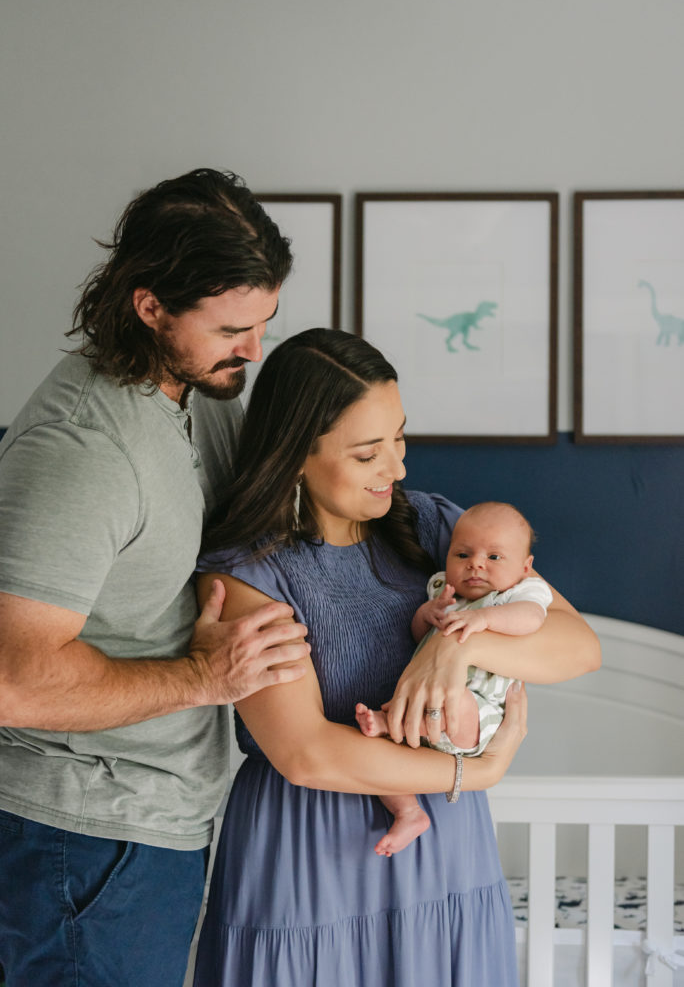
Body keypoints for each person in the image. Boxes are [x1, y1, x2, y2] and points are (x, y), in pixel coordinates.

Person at [192, 327, 600, 987]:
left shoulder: (438, 530)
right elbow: (305, 753)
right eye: (367, 454)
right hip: (312, 858)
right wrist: (477, 775)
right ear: (296, 454)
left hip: (444, 860)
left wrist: (451, 646)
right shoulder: (249, 573)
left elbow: (578, 647)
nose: (398, 468)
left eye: (399, 439)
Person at [0, 169, 312, 987]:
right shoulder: (81, 452)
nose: (253, 348)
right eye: (232, 327)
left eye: (263, 322)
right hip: (80, 835)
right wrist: (204, 676)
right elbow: (16, 680)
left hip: (156, 825)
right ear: (149, 307)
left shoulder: (200, 392)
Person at [355, 500, 554, 856]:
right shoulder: (442, 591)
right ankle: (408, 811)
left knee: (453, 698)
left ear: (525, 567)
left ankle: (394, 721)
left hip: (480, 711)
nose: (475, 563)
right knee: (374, 754)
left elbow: (532, 619)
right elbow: (420, 636)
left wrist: (485, 621)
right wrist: (426, 614)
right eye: (462, 554)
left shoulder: (518, 594)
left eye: (494, 557)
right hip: (426, 703)